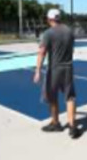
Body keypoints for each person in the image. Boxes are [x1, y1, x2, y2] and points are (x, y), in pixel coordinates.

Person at [33, 9, 81, 139]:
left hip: (54, 69)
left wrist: (37, 70)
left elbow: (42, 52)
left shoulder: (48, 33)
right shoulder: (69, 31)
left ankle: (56, 123)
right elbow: (72, 49)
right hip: (68, 67)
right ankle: (72, 126)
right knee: (70, 97)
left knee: (52, 96)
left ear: (49, 19)